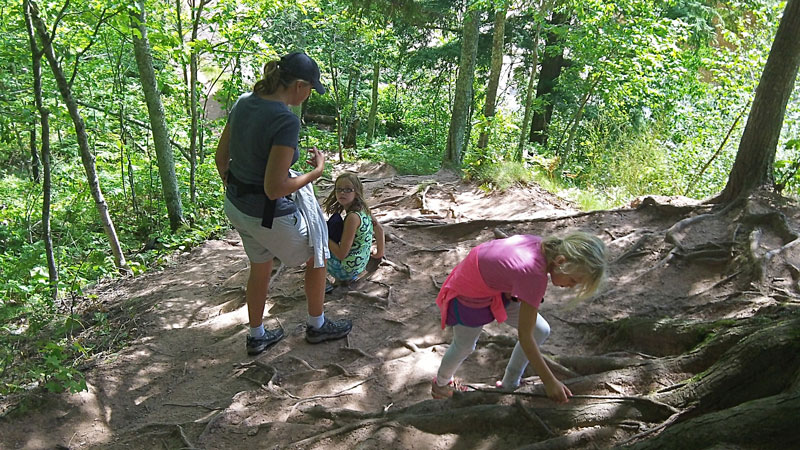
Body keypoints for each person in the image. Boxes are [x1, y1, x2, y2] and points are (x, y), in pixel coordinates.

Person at [215, 51, 352, 355]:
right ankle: (317, 325)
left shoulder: (242, 102)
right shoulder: (284, 120)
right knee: (318, 253)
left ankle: (257, 334)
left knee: (260, 265)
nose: (309, 95)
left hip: (237, 207)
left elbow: (221, 159)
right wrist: (315, 172)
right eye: (310, 89)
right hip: (267, 214)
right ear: (299, 85)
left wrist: (241, 191)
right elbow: (275, 188)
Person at [431, 232, 607, 403]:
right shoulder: (534, 276)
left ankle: (510, 383)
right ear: (561, 261)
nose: (571, 286)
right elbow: (525, 337)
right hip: (469, 289)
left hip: (499, 288)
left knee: (541, 330)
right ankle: (441, 384)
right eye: (573, 281)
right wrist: (550, 381)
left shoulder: (546, 247)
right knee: (464, 346)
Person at [322, 172, 385, 288]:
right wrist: (379, 254)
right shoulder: (364, 209)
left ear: (356, 192)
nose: (342, 193)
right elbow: (379, 230)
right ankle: (349, 276)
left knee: (315, 243)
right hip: (360, 264)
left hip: (347, 270)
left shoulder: (352, 218)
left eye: (348, 190)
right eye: (339, 189)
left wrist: (323, 235)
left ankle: (324, 283)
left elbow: (341, 254)